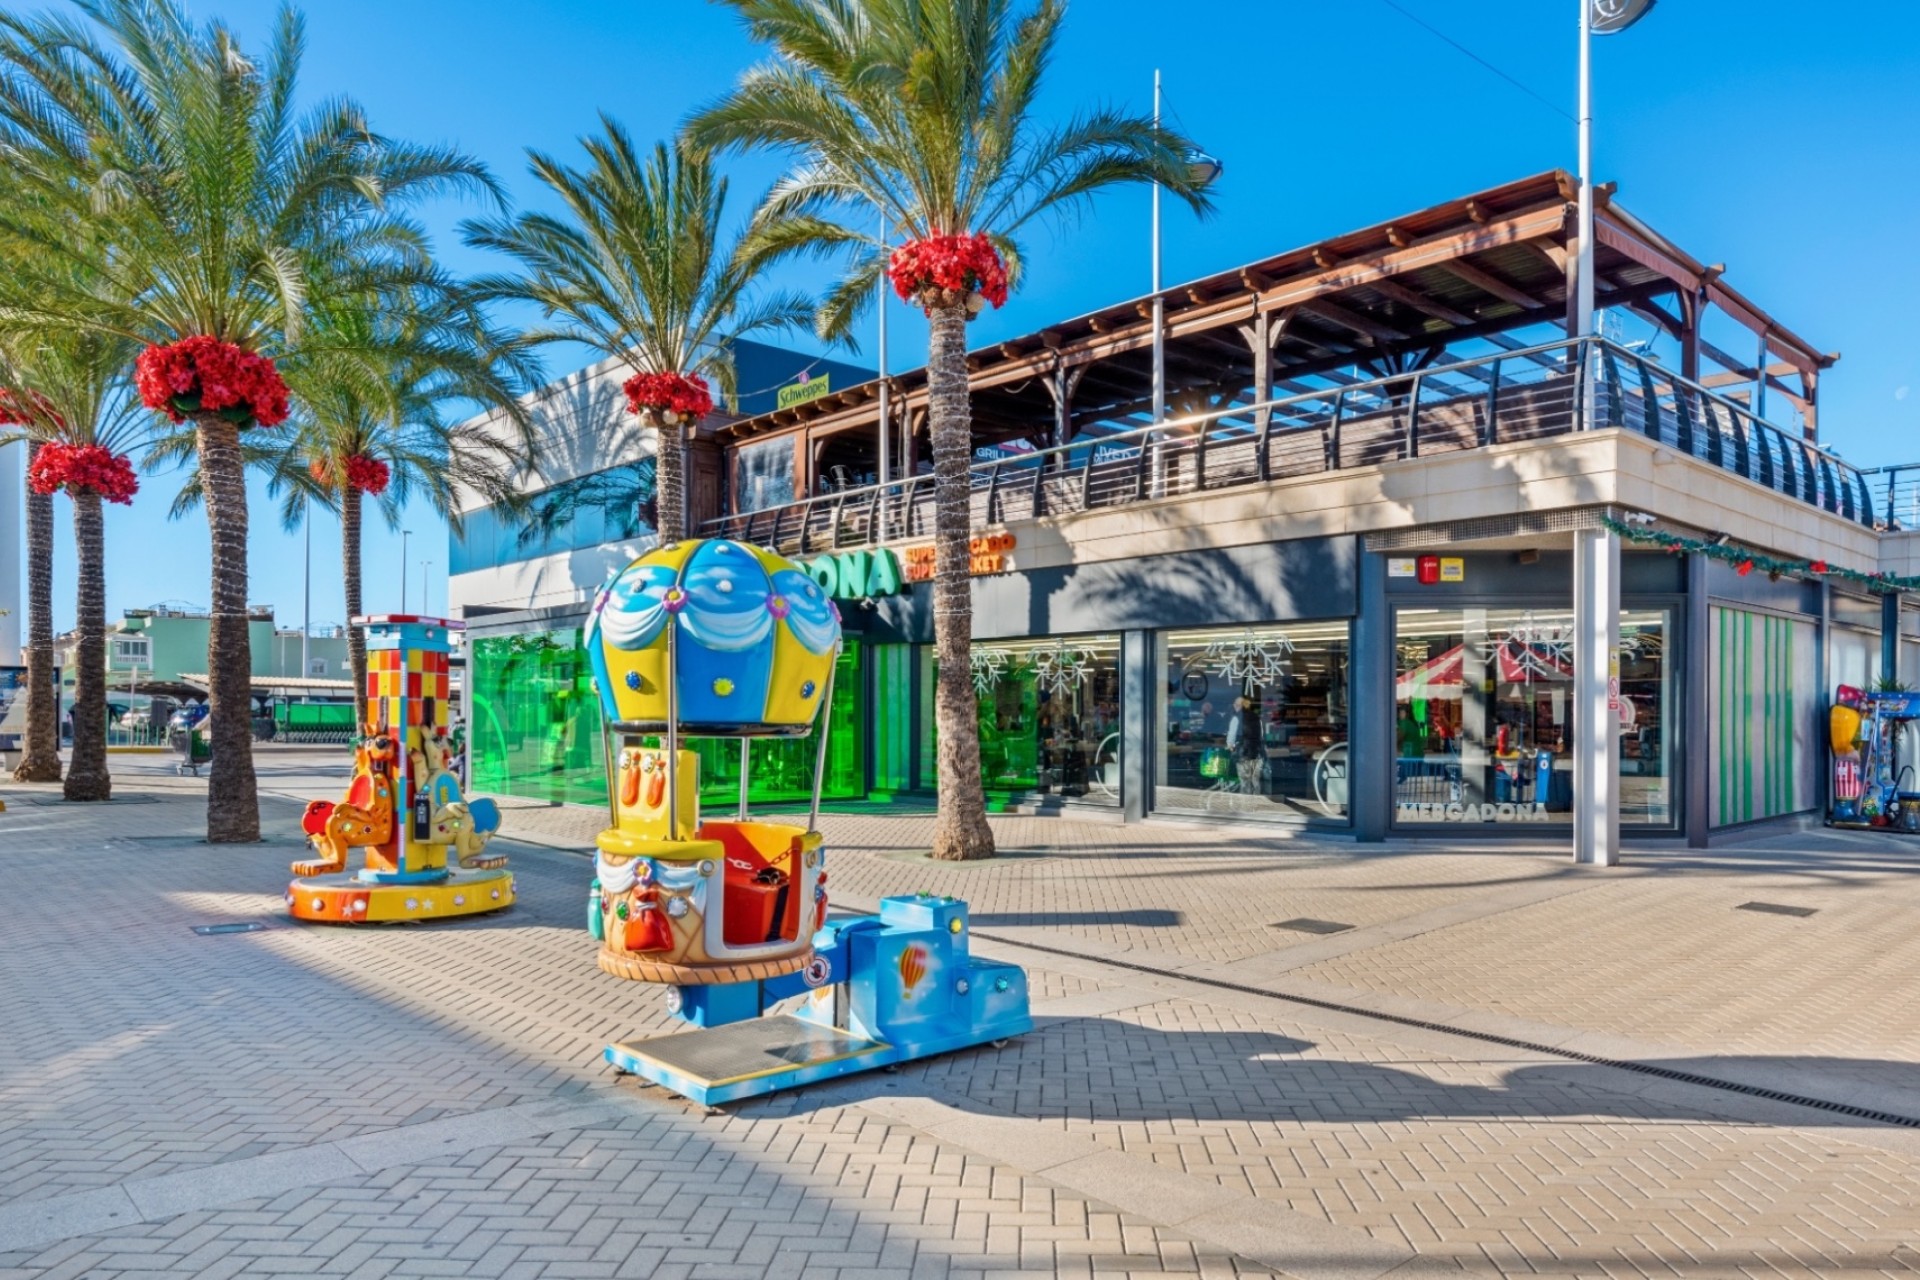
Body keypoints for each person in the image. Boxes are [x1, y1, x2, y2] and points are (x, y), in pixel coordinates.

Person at [1225, 695, 1265, 795]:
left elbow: (1231, 737)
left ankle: (1246, 802)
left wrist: (1230, 746)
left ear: (1240, 706)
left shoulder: (1236, 718)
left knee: (1245, 783)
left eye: (1236, 704)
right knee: (1256, 783)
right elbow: (1261, 736)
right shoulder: (1257, 718)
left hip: (1243, 754)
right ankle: (1256, 802)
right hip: (1257, 754)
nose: (1234, 706)